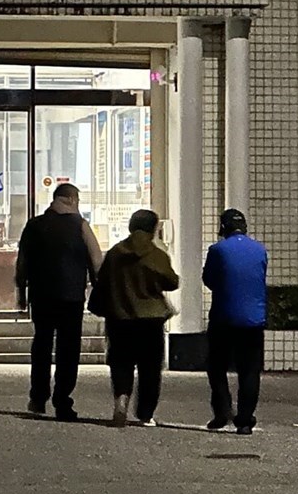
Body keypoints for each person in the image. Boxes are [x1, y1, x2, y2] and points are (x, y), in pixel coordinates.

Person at [15, 183, 102, 421]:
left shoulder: (34, 226)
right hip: (71, 297)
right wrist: (98, 286)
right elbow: (96, 260)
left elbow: (22, 260)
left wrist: (21, 292)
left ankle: (38, 397)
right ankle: (63, 401)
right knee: (68, 349)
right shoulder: (81, 226)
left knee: (41, 345)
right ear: (73, 200)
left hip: (41, 296)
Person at [88, 210, 179, 427]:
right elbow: (172, 282)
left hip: (120, 318)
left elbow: (103, 282)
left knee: (121, 363)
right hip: (151, 320)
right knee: (150, 369)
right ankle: (145, 414)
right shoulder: (157, 255)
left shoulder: (115, 253)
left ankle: (121, 399)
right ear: (153, 229)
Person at [202, 208, 268, 435]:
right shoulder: (260, 250)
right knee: (249, 371)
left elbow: (208, 279)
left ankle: (222, 412)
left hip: (224, 317)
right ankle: (245, 420)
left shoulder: (217, 250)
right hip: (254, 320)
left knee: (217, 367)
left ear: (223, 228)